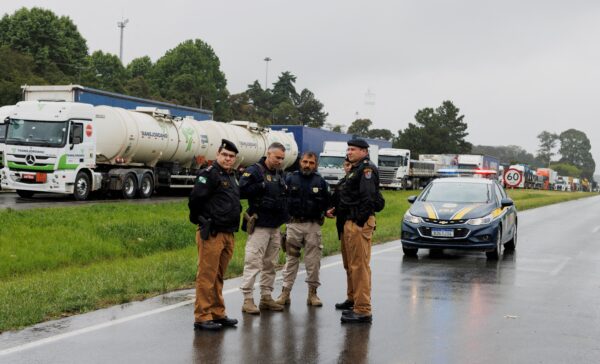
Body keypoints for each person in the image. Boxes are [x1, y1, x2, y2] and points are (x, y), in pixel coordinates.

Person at [188, 139, 241, 331]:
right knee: (206, 276)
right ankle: (202, 316)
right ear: (217, 155)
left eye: (231, 156)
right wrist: (202, 222)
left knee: (219, 276)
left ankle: (218, 313)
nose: (228, 159)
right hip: (212, 233)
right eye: (225, 155)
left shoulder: (232, 176)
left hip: (228, 233)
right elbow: (195, 200)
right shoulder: (209, 174)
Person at [334, 138, 381, 324]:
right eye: (348, 149)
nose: (349, 152)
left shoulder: (366, 169)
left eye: (353, 149)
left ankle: (363, 309)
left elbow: (368, 198)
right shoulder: (355, 169)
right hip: (348, 220)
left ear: (364, 151)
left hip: (358, 222)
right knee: (350, 264)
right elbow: (349, 196)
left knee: (359, 266)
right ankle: (353, 298)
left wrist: (360, 222)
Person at [239, 142, 289, 314]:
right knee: (253, 262)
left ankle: (266, 297)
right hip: (259, 225)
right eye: (277, 157)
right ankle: (248, 299)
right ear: (268, 154)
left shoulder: (279, 173)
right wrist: (260, 186)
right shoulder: (255, 170)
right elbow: (241, 191)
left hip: (275, 225)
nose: (280, 161)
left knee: (271, 264)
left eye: (282, 158)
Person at [275, 151, 330, 307]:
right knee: (291, 260)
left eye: (311, 163)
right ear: (300, 162)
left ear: (316, 164)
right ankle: (285, 293)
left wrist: (328, 211)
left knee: (313, 262)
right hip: (293, 225)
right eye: (305, 162)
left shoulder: (321, 182)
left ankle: (312, 294)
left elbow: (328, 204)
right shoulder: (289, 178)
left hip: (313, 226)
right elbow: (281, 198)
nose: (307, 165)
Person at [326, 158, 353, 310]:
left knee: (355, 266)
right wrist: (330, 209)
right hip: (342, 226)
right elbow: (335, 202)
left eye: (350, 165)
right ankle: (351, 297)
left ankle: (358, 301)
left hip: (354, 226)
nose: (348, 167)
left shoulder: (357, 181)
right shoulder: (342, 182)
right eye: (346, 165)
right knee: (348, 265)